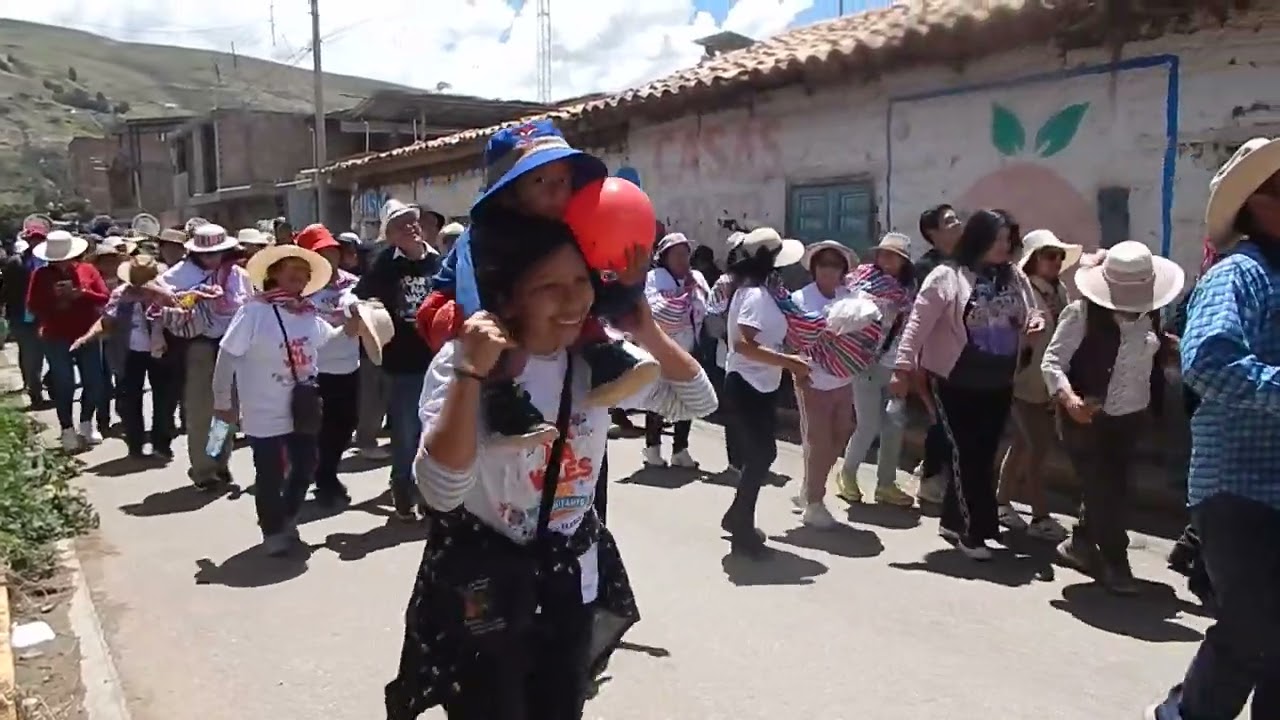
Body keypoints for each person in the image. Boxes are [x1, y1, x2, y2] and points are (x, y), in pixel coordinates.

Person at [385, 213, 716, 720]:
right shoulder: (464, 363)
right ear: (509, 296)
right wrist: (470, 374)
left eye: (581, 282)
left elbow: (696, 400)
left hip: (571, 584)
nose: (572, 300)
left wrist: (643, 325)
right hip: (486, 593)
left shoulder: (602, 362)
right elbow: (441, 492)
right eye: (549, 286)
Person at [416, 120, 658, 445]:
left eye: (563, 178)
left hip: (522, 307)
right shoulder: (483, 236)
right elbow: (470, 291)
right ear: (508, 194)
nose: (557, 190)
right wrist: (495, 340)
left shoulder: (567, 234)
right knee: (498, 335)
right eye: (540, 180)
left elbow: (591, 298)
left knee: (571, 311)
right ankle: (502, 403)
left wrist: (627, 284)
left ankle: (604, 360)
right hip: (455, 307)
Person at [1149, 137, 1280, 720]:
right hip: (1240, 487)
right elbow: (1208, 363)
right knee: (1255, 629)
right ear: (1260, 203)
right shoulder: (1241, 275)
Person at [891, 209, 1042, 560]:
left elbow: (1032, 310)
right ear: (980, 239)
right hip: (955, 381)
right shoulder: (947, 276)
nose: (1006, 246)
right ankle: (972, 531)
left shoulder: (1013, 276)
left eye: (1009, 239)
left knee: (983, 454)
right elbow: (917, 324)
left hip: (1000, 380)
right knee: (967, 454)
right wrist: (902, 368)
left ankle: (952, 521)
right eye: (999, 239)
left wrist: (1033, 323)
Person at [1043, 241, 1182, 593]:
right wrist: (1070, 400)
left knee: (1112, 485)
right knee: (1105, 489)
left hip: (1132, 416)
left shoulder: (1150, 315)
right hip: (1088, 418)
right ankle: (1116, 562)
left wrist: (1167, 350)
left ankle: (1081, 544)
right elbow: (1052, 362)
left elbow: (1145, 352)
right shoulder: (1080, 314)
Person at [213, 243, 362, 556]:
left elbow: (328, 339)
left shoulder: (307, 313)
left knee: (306, 466)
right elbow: (227, 355)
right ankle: (272, 531)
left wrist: (351, 328)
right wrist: (222, 400)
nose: (299, 275)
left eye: (305, 272)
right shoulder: (253, 312)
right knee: (269, 473)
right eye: (292, 268)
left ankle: (288, 517)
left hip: (302, 406)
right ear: (274, 274)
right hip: (263, 409)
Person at [720, 228, 809, 556]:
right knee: (761, 455)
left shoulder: (762, 293)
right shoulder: (755, 295)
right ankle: (741, 526)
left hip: (760, 383)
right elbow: (744, 345)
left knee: (761, 455)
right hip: (747, 383)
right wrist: (790, 362)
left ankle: (736, 516)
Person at [354, 199, 440, 519]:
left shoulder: (438, 262)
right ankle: (403, 489)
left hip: (436, 360)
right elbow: (361, 300)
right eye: (403, 224)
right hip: (402, 362)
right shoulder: (383, 264)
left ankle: (428, 493)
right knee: (405, 432)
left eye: (414, 221)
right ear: (390, 234)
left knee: (432, 432)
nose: (412, 228)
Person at [993, 229, 1081, 541]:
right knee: (1036, 446)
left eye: (1058, 256)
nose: (1056, 261)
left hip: (1046, 382)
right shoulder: (1021, 291)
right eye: (1048, 255)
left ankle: (1002, 502)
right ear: (1033, 260)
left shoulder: (1060, 292)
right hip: (1021, 380)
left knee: (1022, 444)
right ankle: (1039, 515)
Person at [156, 223, 250, 489]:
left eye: (217, 252)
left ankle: (220, 460)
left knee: (227, 410)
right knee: (202, 411)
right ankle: (203, 468)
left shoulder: (237, 276)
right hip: (200, 346)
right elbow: (163, 306)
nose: (211, 258)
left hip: (232, 346)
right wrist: (193, 298)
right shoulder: (178, 276)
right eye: (206, 253)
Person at [835, 233, 916, 507]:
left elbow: (911, 331)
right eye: (884, 254)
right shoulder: (860, 280)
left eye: (894, 256)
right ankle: (847, 474)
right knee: (867, 424)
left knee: (894, 425)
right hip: (865, 362)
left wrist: (905, 368)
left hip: (895, 366)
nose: (887, 260)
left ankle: (886, 484)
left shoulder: (909, 290)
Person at [788, 240, 858, 527]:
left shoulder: (850, 297)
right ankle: (815, 503)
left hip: (844, 379)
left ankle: (809, 486)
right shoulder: (800, 300)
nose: (829, 270)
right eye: (823, 264)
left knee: (842, 432)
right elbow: (791, 339)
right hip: (813, 379)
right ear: (814, 268)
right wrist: (798, 370)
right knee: (817, 441)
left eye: (835, 265)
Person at [25, 230, 110, 451]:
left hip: (87, 332)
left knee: (94, 381)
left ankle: (86, 423)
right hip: (55, 335)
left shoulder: (88, 270)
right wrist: (55, 300)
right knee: (64, 383)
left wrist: (82, 293)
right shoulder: (41, 275)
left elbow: (105, 297)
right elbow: (33, 306)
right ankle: (67, 429)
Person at [296, 224, 362, 507]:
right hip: (316, 368)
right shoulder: (302, 290)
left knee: (346, 423)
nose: (329, 256)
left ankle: (326, 470)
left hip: (350, 365)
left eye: (331, 250)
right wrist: (340, 328)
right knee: (318, 428)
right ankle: (325, 479)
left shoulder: (352, 282)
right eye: (320, 252)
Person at [94, 255, 174, 459]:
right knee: (131, 399)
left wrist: (159, 299)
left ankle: (161, 443)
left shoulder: (165, 292)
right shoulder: (121, 294)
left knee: (163, 399)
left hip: (160, 350)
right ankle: (135, 444)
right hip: (130, 352)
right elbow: (108, 319)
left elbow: (178, 311)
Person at [642, 232, 711, 468]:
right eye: (677, 254)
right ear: (665, 257)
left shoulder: (696, 279)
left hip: (690, 349)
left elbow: (706, 307)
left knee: (687, 400)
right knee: (658, 399)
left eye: (685, 254)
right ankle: (652, 448)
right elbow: (659, 312)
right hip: (661, 351)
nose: (683, 259)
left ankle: (680, 449)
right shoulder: (654, 279)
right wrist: (684, 297)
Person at [913, 203, 963, 505]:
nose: (958, 224)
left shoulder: (968, 261)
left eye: (956, 218)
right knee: (941, 418)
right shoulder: (925, 268)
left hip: (966, 352)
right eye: (949, 221)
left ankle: (936, 469)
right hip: (937, 352)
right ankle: (931, 479)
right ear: (933, 232)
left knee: (956, 418)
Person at [1, 238, 43, 407]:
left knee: (53, 356)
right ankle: (35, 391)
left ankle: (49, 387)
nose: (36, 243)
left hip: (48, 316)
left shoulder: (52, 263)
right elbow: (6, 288)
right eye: (32, 240)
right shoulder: (15, 263)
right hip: (23, 316)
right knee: (30, 355)